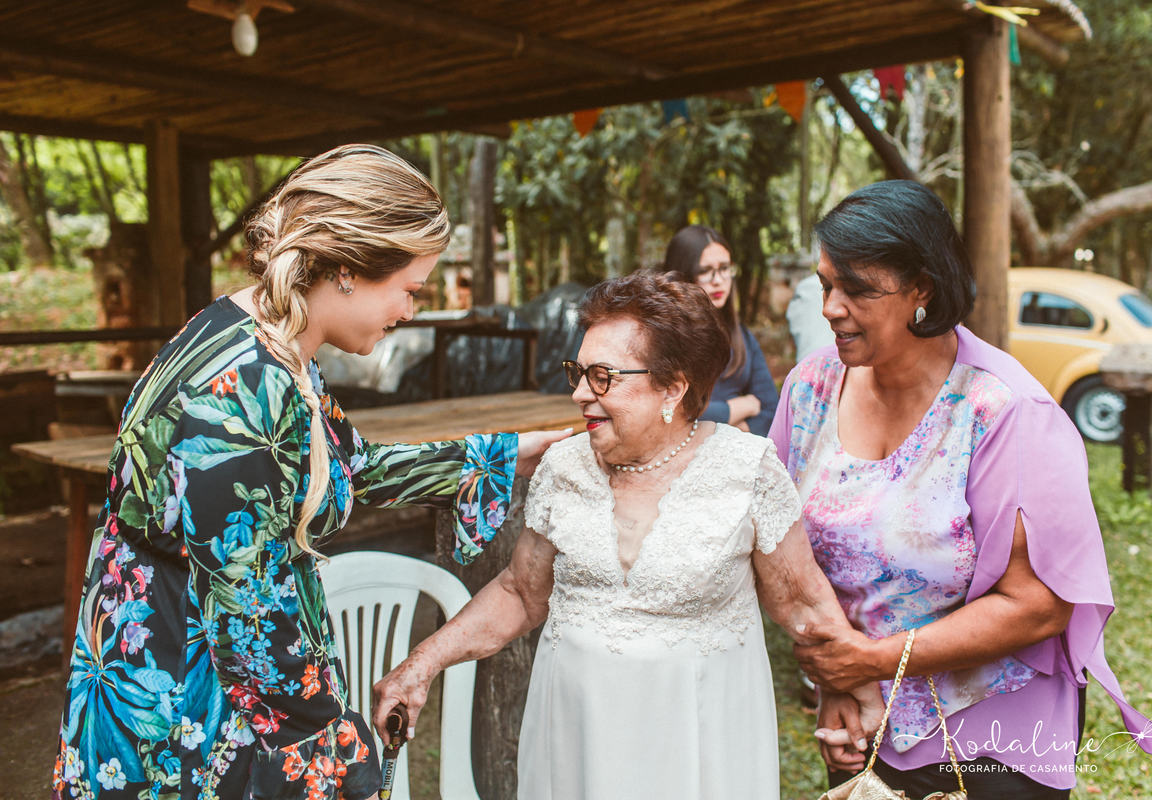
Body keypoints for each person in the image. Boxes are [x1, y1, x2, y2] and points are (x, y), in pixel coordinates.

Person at [51, 144, 568, 800]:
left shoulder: (274, 344)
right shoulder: (240, 390)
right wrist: (340, 748)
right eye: (409, 289)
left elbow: (351, 466)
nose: (410, 312)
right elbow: (253, 620)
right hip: (183, 703)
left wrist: (511, 454)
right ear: (349, 269)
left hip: (217, 675)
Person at [372, 272, 882, 800]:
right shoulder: (564, 467)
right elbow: (519, 592)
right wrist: (421, 664)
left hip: (695, 743)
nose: (577, 393)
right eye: (578, 372)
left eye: (601, 377)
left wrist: (854, 684)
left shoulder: (746, 471)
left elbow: (802, 601)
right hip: (574, 738)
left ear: (673, 387)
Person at [769, 180, 1152, 799]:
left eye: (856, 288)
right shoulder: (810, 391)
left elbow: (1039, 603)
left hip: (993, 734)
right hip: (859, 719)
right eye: (827, 283)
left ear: (923, 290)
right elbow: (777, 539)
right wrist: (839, 678)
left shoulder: (1005, 412)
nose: (831, 306)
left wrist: (873, 662)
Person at [660, 225, 778, 435]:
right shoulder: (664, 337)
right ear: (683, 275)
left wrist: (721, 431)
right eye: (704, 271)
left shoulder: (741, 336)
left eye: (724, 268)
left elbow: (770, 410)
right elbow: (669, 413)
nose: (718, 280)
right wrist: (740, 407)